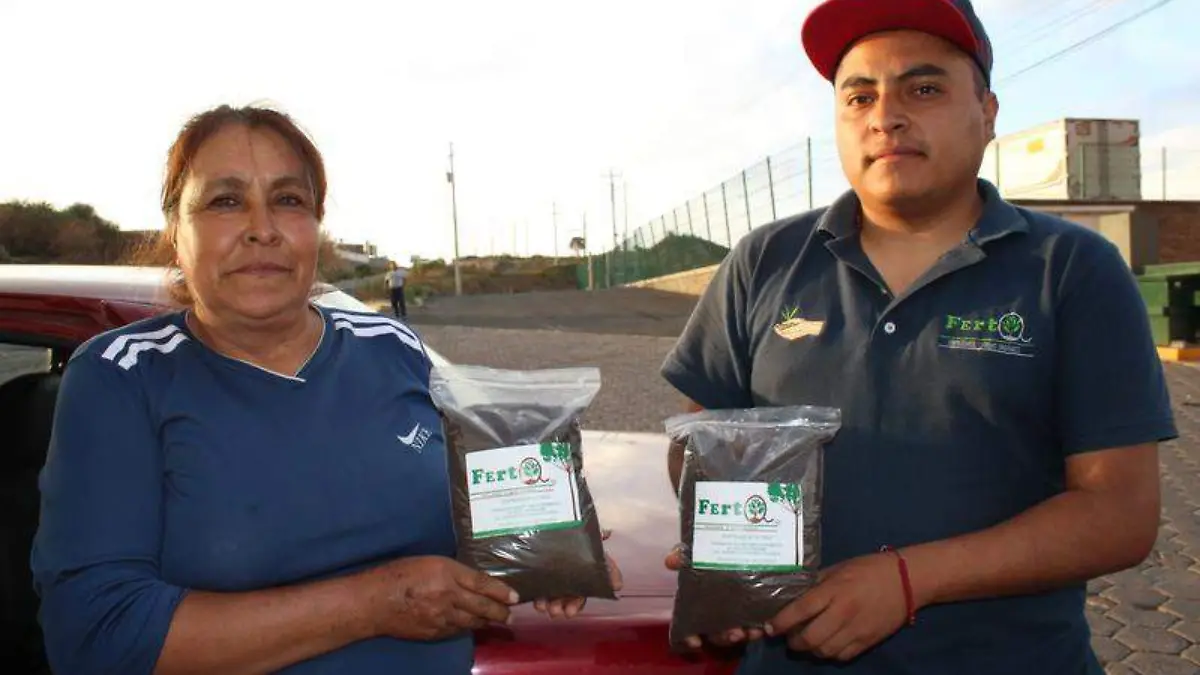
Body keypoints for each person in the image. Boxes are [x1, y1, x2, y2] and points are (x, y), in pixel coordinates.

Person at [660, 1, 1175, 673]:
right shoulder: (763, 261)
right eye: (859, 97)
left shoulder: (1073, 269)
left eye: (923, 89)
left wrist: (911, 579)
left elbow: (1119, 511)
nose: (886, 116)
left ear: (987, 112)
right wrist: (727, 552)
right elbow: (699, 441)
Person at [31, 104, 620, 674]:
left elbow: (469, 515)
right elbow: (98, 636)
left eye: (289, 200)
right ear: (175, 232)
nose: (262, 230)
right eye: (225, 201)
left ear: (316, 228)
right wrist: (375, 604)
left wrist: (548, 547)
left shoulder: (391, 346)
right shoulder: (120, 377)